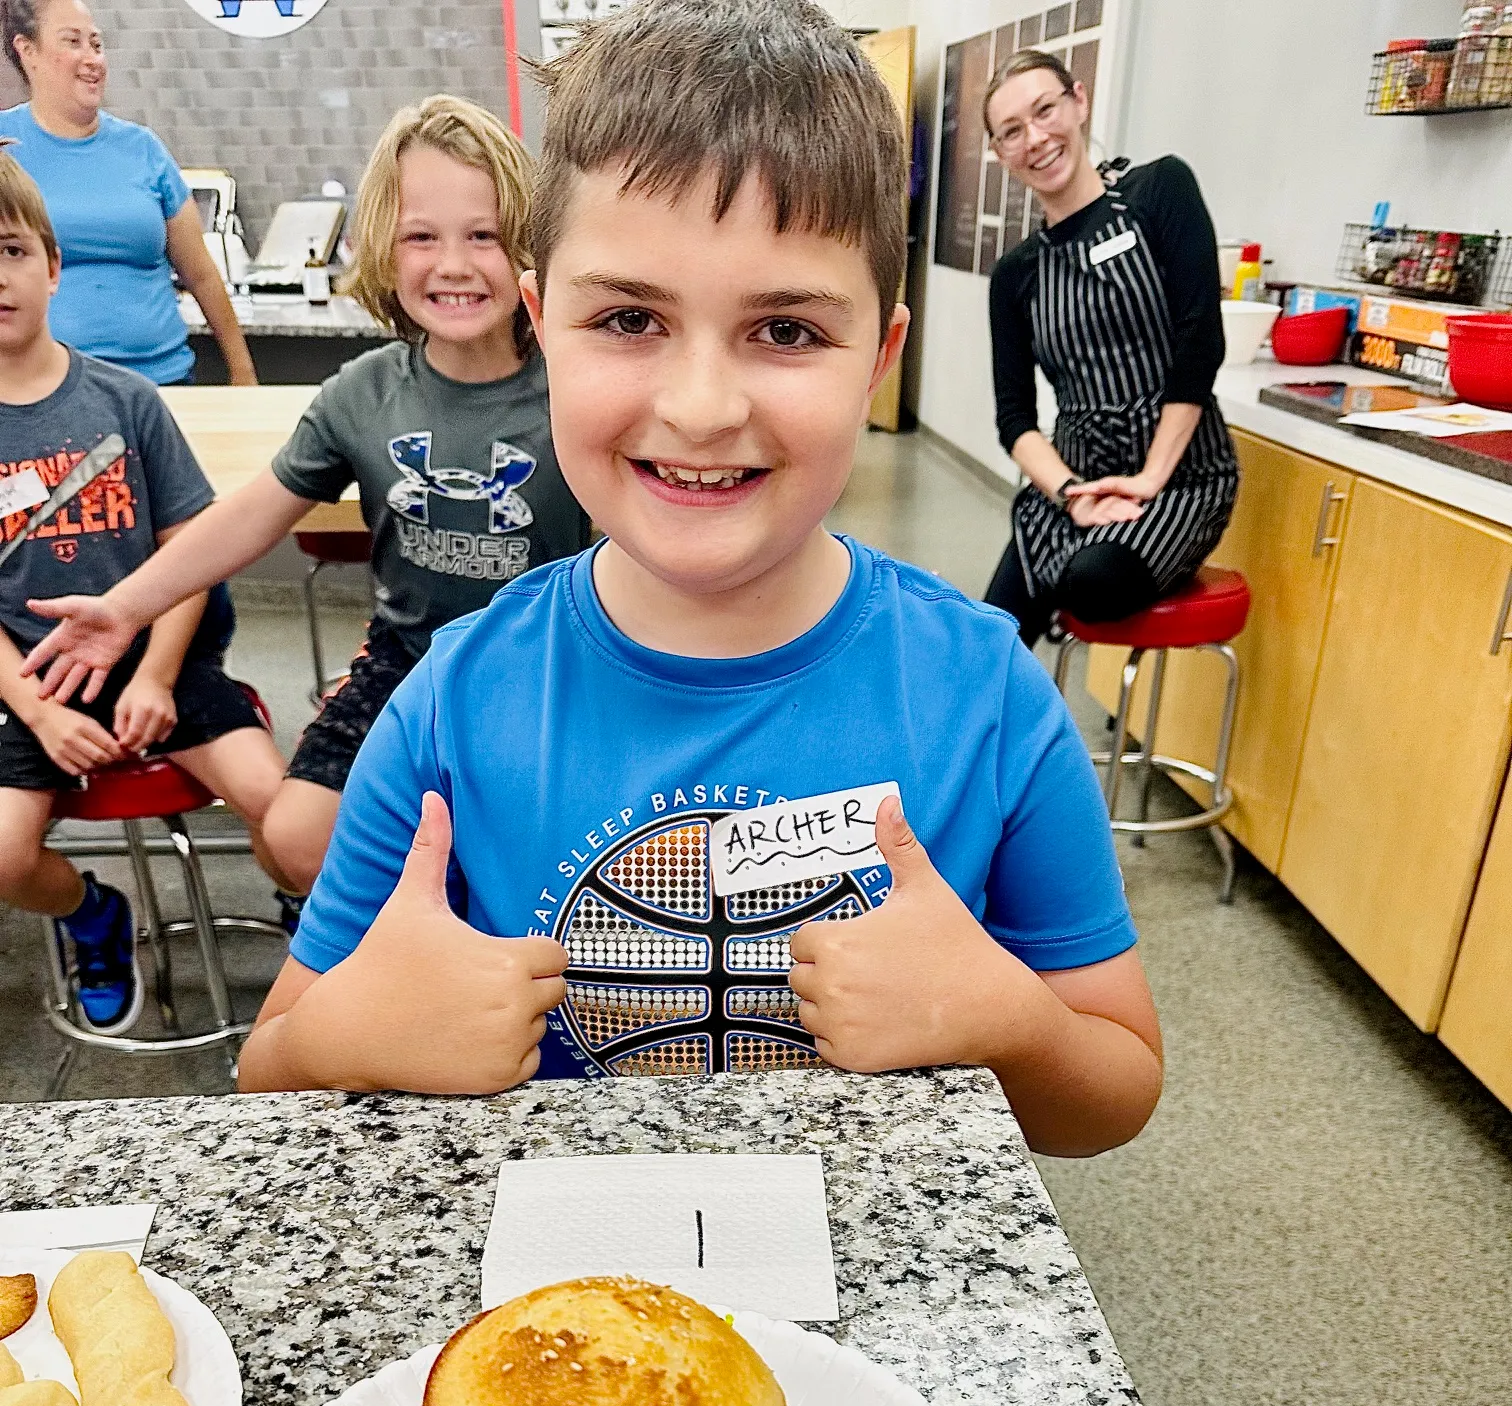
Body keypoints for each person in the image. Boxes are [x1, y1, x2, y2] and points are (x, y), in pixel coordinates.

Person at [27, 0, 1163, 1155]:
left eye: (786, 332)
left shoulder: (987, 695)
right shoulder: (451, 707)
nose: (702, 407)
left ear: (878, 357)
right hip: (566, 1305)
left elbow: (1115, 1088)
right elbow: (276, 1070)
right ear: (544, 326)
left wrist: (1013, 1022)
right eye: (628, 318)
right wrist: (345, 1037)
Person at [19, 94, 589, 896]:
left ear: (527, 248)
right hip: (410, 663)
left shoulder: (578, 388)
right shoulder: (363, 394)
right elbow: (250, 516)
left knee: (524, 865)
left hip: (553, 670)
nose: (453, 264)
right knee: (292, 838)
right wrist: (126, 606)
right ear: (385, 246)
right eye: (422, 236)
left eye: (484, 236)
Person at [0, 154, 283, 1032]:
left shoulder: (128, 400)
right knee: (5, 857)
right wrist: (39, 714)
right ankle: (94, 914)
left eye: (8, 250)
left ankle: (319, 917)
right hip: (35, 683)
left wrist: (158, 675)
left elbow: (190, 554)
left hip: (166, 660)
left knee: (283, 803)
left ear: (51, 265)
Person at [982, 50, 1238, 646]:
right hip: (1070, 485)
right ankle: (993, 739)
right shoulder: (1017, 276)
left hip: (1180, 480)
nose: (1036, 138)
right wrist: (1069, 493)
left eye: (1045, 110)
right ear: (1000, 153)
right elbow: (1014, 418)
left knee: (1091, 585)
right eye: (1012, 131)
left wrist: (1149, 479)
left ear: (1079, 101)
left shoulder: (1159, 192)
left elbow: (1201, 343)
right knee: (988, 639)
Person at [0, 0, 256, 387]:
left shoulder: (144, 149)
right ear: (28, 51)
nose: (92, 60)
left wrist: (243, 372)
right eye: (73, 42)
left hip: (161, 384)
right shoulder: (5, 148)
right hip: (40, 392)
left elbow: (201, 275)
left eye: (97, 45)